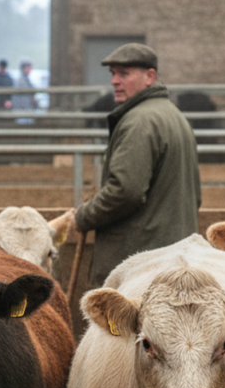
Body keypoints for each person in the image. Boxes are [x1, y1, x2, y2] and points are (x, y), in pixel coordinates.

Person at [65, 43, 201, 288]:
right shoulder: (175, 117)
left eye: (124, 74)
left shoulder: (138, 122)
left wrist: (84, 216)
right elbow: (196, 196)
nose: (114, 81)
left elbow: (125, 191)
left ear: (150, 77)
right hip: (177, 259)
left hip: (139, 264)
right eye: (113, 74)